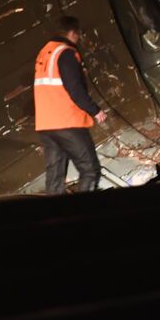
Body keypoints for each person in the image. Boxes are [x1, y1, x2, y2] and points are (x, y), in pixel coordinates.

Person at [34, 16, 107, 195]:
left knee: (55, 178)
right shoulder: (65, 52)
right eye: (78, 34)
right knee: (90, 170)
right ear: (72, 33)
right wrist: (95, 110)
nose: (79, 38)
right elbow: (74, 88)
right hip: (67, 122)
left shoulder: (45, 52)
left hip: (46, 126)